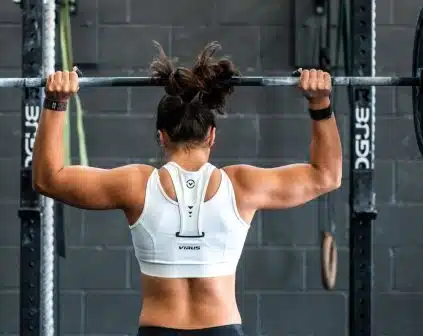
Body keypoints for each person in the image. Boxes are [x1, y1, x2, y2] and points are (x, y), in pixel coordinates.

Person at [32, 41, 342, 336]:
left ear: (161, 137)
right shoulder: (242, 186)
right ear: (212, 136)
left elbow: (48, 178)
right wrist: (320, 103)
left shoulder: (136, 186)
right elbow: (327, 175)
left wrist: (56, 102)